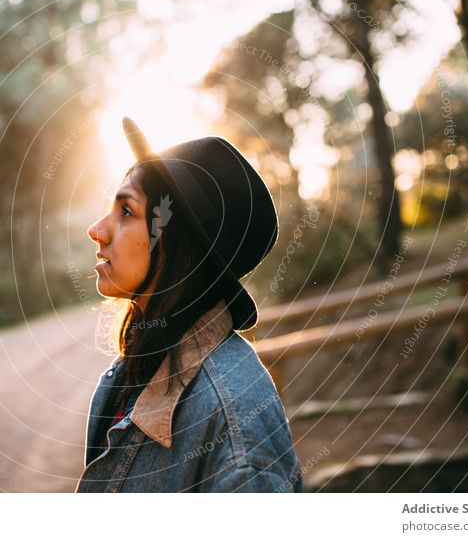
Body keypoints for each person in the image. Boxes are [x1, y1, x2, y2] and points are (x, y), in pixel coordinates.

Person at [75, 117, 303, 493]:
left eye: (126, 211)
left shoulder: (235, 427)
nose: (97, 230)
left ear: (178, 246)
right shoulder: (130, 371)